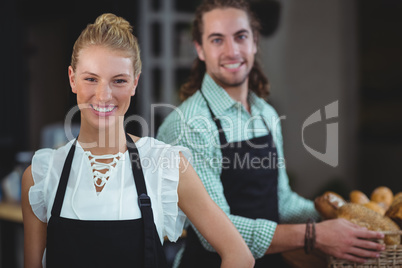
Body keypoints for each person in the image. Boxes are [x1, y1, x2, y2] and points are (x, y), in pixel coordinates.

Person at [156, 0, 386, 267]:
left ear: (254, 42)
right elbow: (215, 235)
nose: (232, 51)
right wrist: (315, 234)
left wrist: (342, 215)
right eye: (217, 40)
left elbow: (282, 201)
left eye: (240, 37)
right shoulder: (188, 125)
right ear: (200, 49)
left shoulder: (265, 114)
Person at [21, 13, 255, 268]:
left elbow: (239, 255)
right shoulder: (40, 177)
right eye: (91, 79)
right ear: (72, 78)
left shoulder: (166, 165)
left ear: (135, 83)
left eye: (118, 81)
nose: (103, 95)